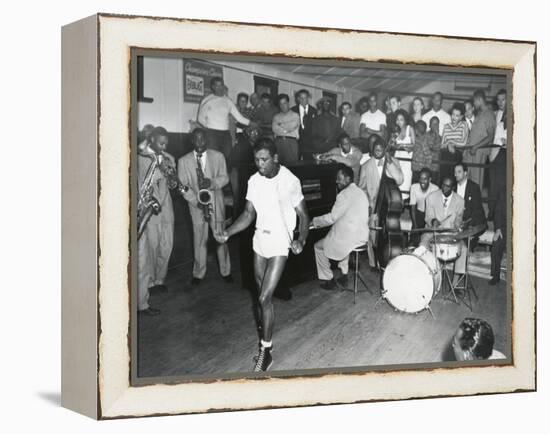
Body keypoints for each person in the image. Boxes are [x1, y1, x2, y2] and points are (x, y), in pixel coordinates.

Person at [214, 138, 310, 371]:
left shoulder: (289, 180)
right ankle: (267, 345)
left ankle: (265, 352)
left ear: (275, 158)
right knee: (261, 298)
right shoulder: (254, 181)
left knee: (264, 298)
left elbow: (304, 215)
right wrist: (227, 233)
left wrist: (301, 239)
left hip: (280, 243)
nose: (259, 164)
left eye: (264, 160)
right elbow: (248, 214)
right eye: (256, 160)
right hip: (260, 240)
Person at [177, 128, 232, 285]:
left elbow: (225, 178)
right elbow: (182, 186)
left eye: (203, 139)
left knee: (221, 237)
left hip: (216, 202)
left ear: (206, 140)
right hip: (196, 205)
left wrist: (212, 182)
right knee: (199, 238)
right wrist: (196, 201)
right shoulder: (183, 161)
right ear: (192, 141)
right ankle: (198, 273)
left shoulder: (218, 156)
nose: (200, 142)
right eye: (197, 139)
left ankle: (226, 270)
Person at [137, 127, 175, 316]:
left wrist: (169, 171)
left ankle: (160, 280)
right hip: (149, 207)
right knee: (150, 247)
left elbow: (173, 182)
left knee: (167, 244)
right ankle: (149, 283)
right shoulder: (142, 158)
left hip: (166, 205)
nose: (164, 146)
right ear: (151, 140)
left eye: (166, 143)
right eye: (161, 143)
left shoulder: (168, 157)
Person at [312, 165, 369, 290]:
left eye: (339, 178)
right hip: (362, 236)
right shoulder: (360, 192)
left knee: (318, 247)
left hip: (350, 238)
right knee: (342, 238)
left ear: (348, 179)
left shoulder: (343, 195)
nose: (336, 181)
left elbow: (332, 218)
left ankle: (328, 279)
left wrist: (314, 221)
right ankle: (344, 274)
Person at [358, 135, 404, 267]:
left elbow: (400, 180)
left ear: (385, 149)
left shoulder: (393, 161)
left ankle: (388, 261)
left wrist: (389, 162)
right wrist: (368, 204)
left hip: (388, 206)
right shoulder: (365, 166)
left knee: (387, 234)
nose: (378, 152)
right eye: (376, 150)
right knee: (372, 237)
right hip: (374, 206)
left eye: (381, 149)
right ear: (372, 150)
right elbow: (362, 189)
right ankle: (373, 263)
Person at [420, 177, 467, 281]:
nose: (444, 188)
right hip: (433, 231)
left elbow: (458, 219)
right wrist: (433, 221)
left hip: (450, 233)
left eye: (447, 186)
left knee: (463, 249)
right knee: (422, 245)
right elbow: (428, 217)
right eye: (443, 185)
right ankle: (425, 278)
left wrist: (459, 225)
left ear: (453, 187)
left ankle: (455, 284)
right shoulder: (431, 197)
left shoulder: (460, 201)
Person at [197, 77, 253, 162]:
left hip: (225, 134)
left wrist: (251, 123)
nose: (220, 88)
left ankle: (223, 174)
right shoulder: (207, 100)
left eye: (221, 85)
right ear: (212, 87)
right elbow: (200, 118)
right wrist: (209, 128)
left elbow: (239, 117)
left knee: (226, 156)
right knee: (213, 158)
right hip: (212, 133)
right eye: (217, 85)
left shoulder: (228, 101)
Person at [463, 89, 496, 191]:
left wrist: (476, 147)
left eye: (474, 101)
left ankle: (475, 205)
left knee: (476, 182)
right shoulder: (479, 114)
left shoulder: (489, 114)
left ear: (479, 99)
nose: (474, 104)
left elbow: (490, 136)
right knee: (467, 179)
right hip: (471, 151)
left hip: (478, 151)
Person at [229, 125, 260, 214]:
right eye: (251, 132)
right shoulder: (240, 145)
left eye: (256, 132)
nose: (254, 134)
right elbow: (231, 163)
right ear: (247, 134)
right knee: (239, 200)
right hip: (239, 175)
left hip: (253, 177)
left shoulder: (259, 146)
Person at [409, 168, 439, 245]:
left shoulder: (435, 189)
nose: (422, 181)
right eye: (421, 178)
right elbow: (412, 208)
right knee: (413, 241)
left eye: (425, 179)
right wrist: (415, 226)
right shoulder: (414, 187)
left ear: (430, 180)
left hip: (430, 216)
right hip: (418, 215)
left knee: (427, 241)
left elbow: (436, 209)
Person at [440, 102, 468, 181]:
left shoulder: (464, 125)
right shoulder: (446, 126)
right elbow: (442, 145)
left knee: (455, 180)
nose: (454, 118)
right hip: (445, 157)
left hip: (457, 157)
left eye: (457, 115)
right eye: (453, 114)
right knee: (444, 180)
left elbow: (463, 143)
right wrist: (448, 145)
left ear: (461, 116)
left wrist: (450, 142)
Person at [454, 162, 486, 229]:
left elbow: (477, 210)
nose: (456, 174)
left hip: (472, 222)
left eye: (459, 172)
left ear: (465, 173)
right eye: (455, 172)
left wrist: (466, 223)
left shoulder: (474, 187)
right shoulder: (453, 188)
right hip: (456, 221)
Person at [391, 109, 415, 198]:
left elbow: (414, 145)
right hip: (397, 159)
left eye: (401, 119)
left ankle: (404, 203)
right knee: (397, 181)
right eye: (397, 119)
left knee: (406, 182)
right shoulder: (395, 131)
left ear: (405, 120)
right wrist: (396, 145)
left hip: (407, 160)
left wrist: (401, 145)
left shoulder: (410, 129)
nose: (398, 122)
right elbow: (392, 145)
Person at [272, 93, 300, 165]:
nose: (283, 106)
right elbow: (275, 129)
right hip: (278, 143)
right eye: (280, 104)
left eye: (284, 103)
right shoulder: (276, 117)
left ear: (288, 103)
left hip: (291, 143)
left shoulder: (295, 115)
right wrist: (286, 129)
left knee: (292, 167)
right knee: (278, 167)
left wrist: (281, 125)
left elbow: (292, 126)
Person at [292, 89, 317, 160]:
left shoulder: (314, 111)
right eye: (301, 98)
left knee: (308, 165)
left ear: (308, 98)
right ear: (298, 99)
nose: (303, 100)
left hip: (310, 144)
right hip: (296, 143)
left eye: (305, 98)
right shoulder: (293, 110)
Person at [426, 117, 442, 185]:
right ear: (429, 125)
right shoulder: (426, 135)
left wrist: (437, 135)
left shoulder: (440, 137)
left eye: (437, 124)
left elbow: (438, 148)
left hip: (435, 166)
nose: (435, 126)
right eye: (433, 124)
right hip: (426, 165)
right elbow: (431, 147)